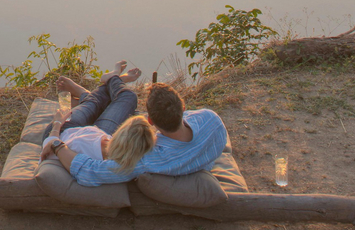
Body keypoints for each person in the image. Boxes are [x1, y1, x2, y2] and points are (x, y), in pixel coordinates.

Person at [49, 73, 228, 187]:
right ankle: (92, 93)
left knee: (118, 99)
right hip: (102, 135)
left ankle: (92, 94)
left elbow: (90, 171)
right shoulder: (212, 122)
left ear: (149, 119)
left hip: (71, 130)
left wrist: (55, 142)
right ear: (182, 108)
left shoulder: (147, 159)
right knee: (125, 99)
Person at [42, 114, 156, 176]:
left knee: (93, 103)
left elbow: (47, 152)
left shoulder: (78, 146)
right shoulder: (128, 158)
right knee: (121, 100)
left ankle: (86, 95)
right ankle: (85, 93)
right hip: (98, 133)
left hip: (62, 131)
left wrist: (57, 124)